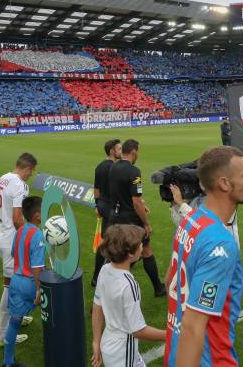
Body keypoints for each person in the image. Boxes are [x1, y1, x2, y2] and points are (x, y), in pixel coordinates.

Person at [165, 146, 243, 366]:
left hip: (175, 349)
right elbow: (193, 326)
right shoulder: (220, 244)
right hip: (209, 359)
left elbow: (169, 280)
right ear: (224, 183)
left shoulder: (190, 220)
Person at [0, 152, 38, 348]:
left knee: (18, 279)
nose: (31, 175)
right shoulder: (19, 184)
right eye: (31, 171)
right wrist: (30, 235)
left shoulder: (1, 179)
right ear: (28, 168)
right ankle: (3, 335)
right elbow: (16, 217)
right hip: (10, 240)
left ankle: (18, 317)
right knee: (10, 285)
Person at [92, 224, 165, 367]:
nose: (142, 247)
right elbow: (138, 330)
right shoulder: (129, 285)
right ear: (131, 253)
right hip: (123, 352)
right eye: (140, 245)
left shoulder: (105, 269)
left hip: (109, 345)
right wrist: (170, 335)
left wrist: (96, 341)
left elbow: (97, 306)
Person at [108, 139, 164, 297]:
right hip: (130, 219)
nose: (138, 154)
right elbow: (136, 201)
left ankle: (106, 291)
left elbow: (120, 192)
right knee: (146, 251)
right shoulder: (134, 171)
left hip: (115, 216)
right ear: (133, 151)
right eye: (137, 151)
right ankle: (158, 288)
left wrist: (140, 202)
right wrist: (146, 223)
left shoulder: (113, 167)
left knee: (117, 254)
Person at [2, 196, 45, 367]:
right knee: (52, 312)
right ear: (36, 215)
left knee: (14, 321)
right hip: (29, 283)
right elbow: (37, 267)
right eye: (43, 210)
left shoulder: (20, 230)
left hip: (15, 281)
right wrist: (37, 289)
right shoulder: (38, 235)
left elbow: (13, 253)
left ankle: (8, 361)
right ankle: (60, 351)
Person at [91, 139, 122, 287]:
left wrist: (97, 206)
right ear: (112, 151)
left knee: (106, 241)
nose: (121, 152)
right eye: (119, 149)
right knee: (111, 242)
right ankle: (105, 276)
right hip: (113, 208)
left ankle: (97, 276)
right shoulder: (116, 168)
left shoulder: (99, 167)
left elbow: (96, 191)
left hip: (103, 206)